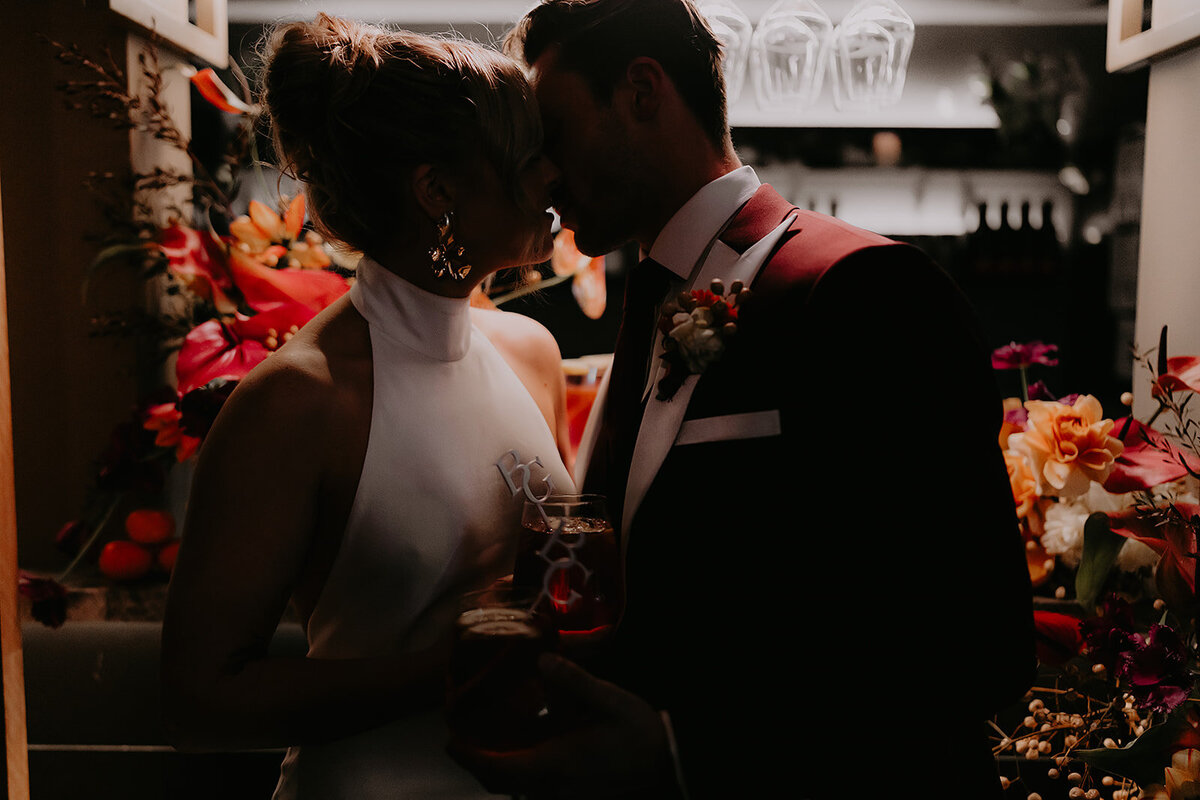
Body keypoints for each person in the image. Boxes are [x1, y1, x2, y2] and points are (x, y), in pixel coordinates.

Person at [448, 1, 1037, 798]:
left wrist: (679, 752)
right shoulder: (662, 298)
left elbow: (973, 644)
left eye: (554, 130)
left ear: (643, 92)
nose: (543, 172)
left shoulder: (863, 289)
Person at [159, 14, 575, 798]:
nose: (553, 174)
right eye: (526, 156)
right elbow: (198, 702)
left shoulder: (531, 352)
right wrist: (444, 671)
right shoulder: (300, 399)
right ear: (436, 190)